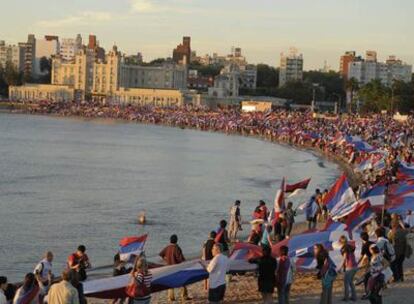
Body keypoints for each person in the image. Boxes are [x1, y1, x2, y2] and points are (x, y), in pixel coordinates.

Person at [159, 235, 190, 302]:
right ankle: (184, 296)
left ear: (170, 240)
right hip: (177, 268)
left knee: (170, 283)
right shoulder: (177, 248)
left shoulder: (167, 247)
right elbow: (181, 259)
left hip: (169, 268)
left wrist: (166, 259)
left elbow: (161, 254)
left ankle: (171, 297)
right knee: (183, 282)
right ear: (176, 240)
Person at [338, 235, 357, 301]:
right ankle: (354, 297)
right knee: (351, 282)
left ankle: (346, 298)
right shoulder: (350, 246)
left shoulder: (344, 248)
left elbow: (345, 258)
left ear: (340, 242)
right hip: (355, 266)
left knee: (346, 282)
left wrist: (340, 268)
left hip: (349, 267)